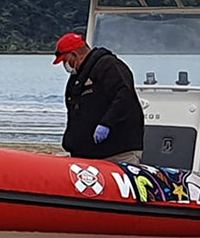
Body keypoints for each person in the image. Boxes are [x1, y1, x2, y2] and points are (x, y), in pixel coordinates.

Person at [52, 32, 145, 164]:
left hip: (117, 152)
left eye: (65, 61)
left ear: (74, 55)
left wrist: (106, 123)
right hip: (87, 154)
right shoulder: (77, 78)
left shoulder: (109, 66)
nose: (66, 65)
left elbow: (124, 96)